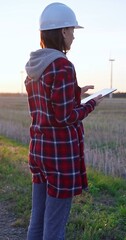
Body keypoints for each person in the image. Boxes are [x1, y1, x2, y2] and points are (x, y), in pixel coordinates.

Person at [25, 2, 102, 240]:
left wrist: (75, 93)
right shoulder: (62, 65)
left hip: (38, 151)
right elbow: (65, 116)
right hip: (59, 157)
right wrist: (91, 103)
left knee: (37, 219)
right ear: (62, 32)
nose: (73, 37)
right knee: (55, 227)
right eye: (72, 31)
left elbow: (48, 104)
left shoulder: (36, 65)